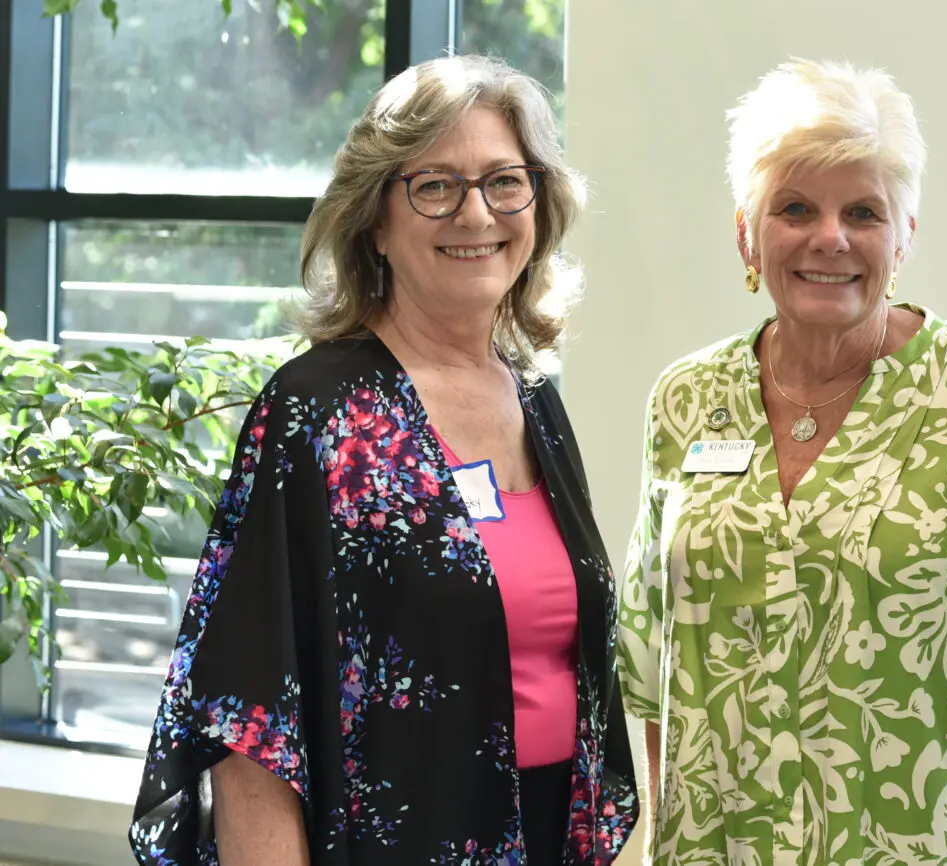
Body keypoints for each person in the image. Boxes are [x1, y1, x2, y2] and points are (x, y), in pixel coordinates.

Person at [130, 57, 637, 866]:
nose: (476, 213)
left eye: (505, 182)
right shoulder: (316, 412)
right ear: (374, 220)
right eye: (436, 185)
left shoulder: (533, 398)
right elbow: (249, 722)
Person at [616, 59, 947, 866]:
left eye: (863, 211)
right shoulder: (686, 399)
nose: (830, 237)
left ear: (905, 236)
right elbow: (655, 664)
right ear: (747, 233)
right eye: (794, 208)